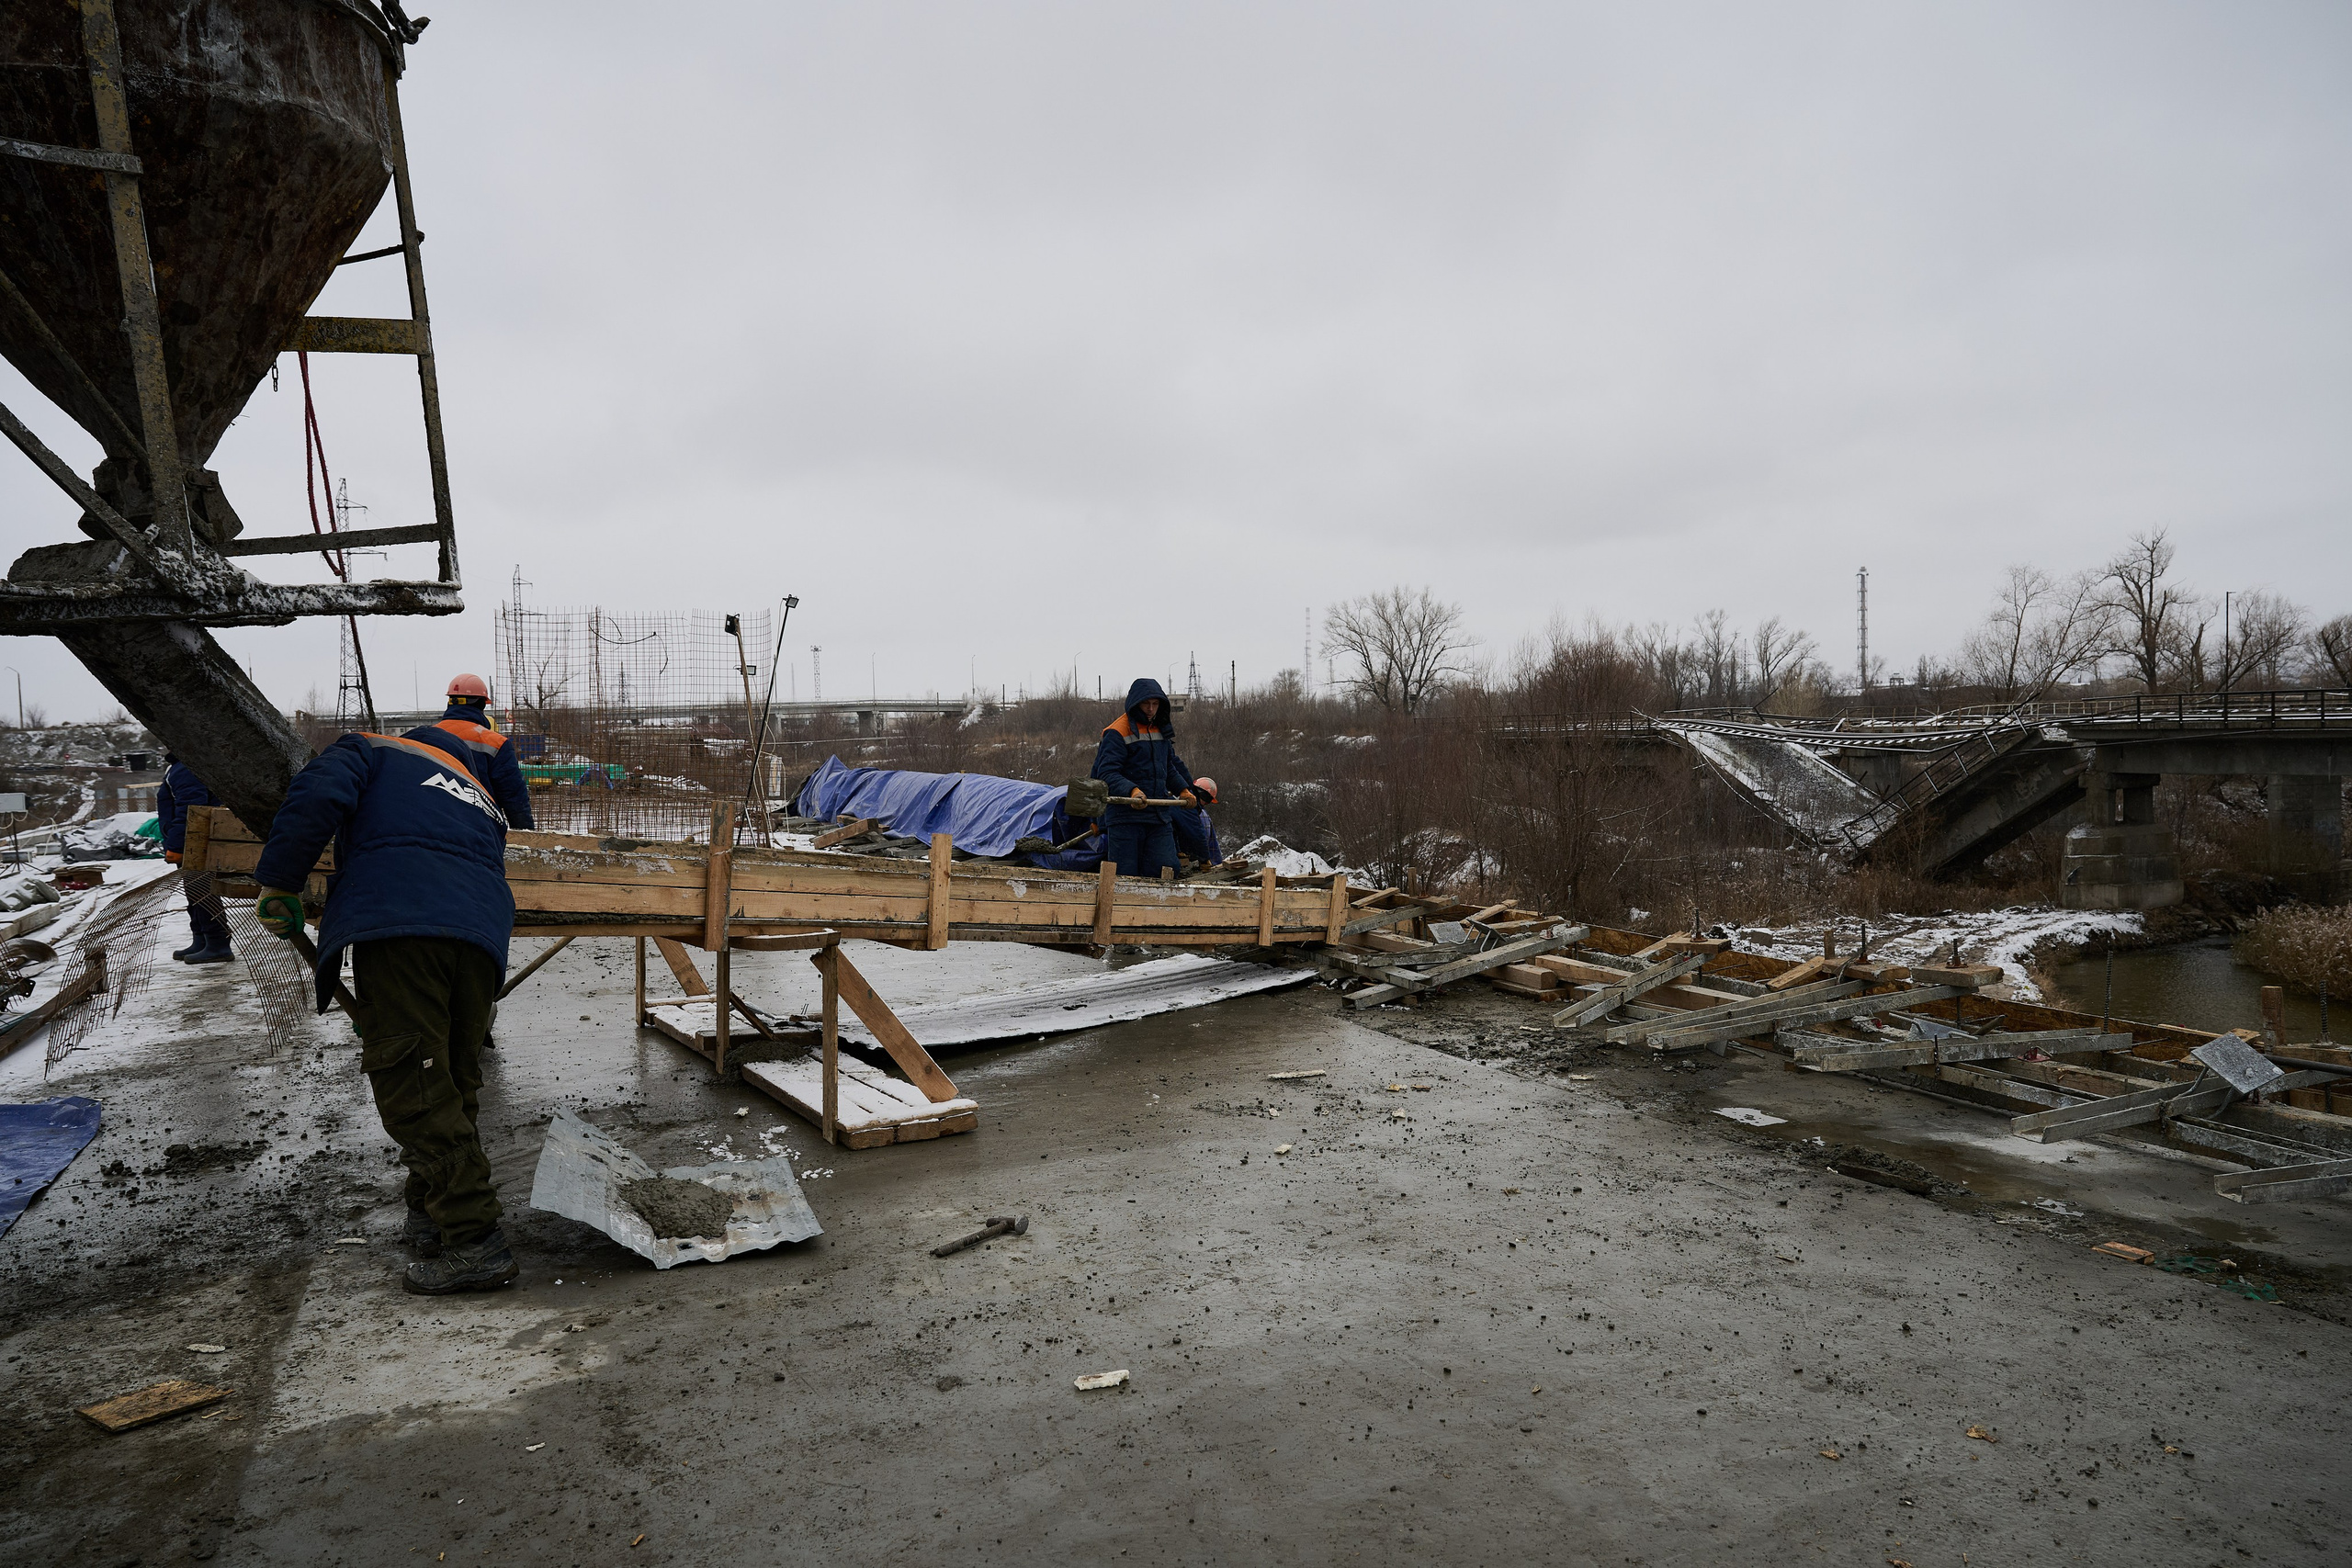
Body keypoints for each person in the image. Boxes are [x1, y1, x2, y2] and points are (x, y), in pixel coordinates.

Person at [253, 693, 519, 1296]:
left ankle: (475, 1241)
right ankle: (431, 1212)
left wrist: (280, 881)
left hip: (403, 921)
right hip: (480, 936)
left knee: (415, 1084)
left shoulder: (369, 749)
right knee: (450, 1075)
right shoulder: (476, 790)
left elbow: (315, 796)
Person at [1091, 678, 1199, 879]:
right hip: (1125, 817)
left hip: (1157, 816)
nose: (1150, 709)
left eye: (1155, 704)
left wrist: (1183, 790)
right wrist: (1132, 791)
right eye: (1146, 704)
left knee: (1166, 868)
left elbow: (1168, 768)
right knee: (1125, 875)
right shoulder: (1117, 732)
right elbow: (1107, 773)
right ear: (1135, 703)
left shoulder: (1160, 730)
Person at [421, 673, 534, 829]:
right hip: (480, 832)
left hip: (431, 825)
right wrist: (526, 837)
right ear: (482, 705)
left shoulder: (424, 739)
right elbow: (514, 798)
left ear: (450, 703)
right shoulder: (496, 743)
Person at [155, 753, 232, 964]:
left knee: (202, 890)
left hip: (196, 841)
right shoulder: (180, 765)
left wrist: (176, 845)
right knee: (194, 892)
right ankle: (202, 939)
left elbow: (191, 810)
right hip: (192, 841)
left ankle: (218, 944)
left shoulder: (187, 768)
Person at [1173, 775, 1222, 868]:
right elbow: (1202, 837)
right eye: (1208, 801)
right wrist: (1206, 859)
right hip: (1181, 854)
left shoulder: (1177, 800)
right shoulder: (1197, 813)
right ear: (1205, 796)